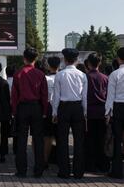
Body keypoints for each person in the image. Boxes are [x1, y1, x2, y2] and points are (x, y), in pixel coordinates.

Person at [11, 47, 48, 178]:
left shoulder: (18, 74)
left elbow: (14, 96)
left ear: (24, 58)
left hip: (22, 108)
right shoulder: (40, 74)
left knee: (22, 140)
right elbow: (44, 95)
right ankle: (38, 170)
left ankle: (21, 170)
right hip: (37, 107)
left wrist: (15, 111)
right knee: (38, 140)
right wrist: (44, 111)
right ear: (35, 59)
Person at [52, 48, 88, 179]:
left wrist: (54, 112)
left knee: (62, 140)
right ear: (77, 60)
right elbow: (85, 97)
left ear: (65, 60)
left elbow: (56, 95)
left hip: (63, 107)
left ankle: (64, 171)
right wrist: (85, 113)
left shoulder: (60, 75)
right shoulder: (82, 75)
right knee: (79, 141)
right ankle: (79, 172)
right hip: (78, 107)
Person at [84, 53, 110, 173]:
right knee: (101, 139)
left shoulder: (85, 77)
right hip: (102, 112)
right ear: (99, 63)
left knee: (89, 139)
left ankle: (90, 165)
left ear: (88, 63)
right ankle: (102, 165)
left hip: (89, 112)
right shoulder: (105, 78)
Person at [105, 47, 124, 179]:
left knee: (117, 139)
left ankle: (117, 171)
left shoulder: (114, 74)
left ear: (118, 59)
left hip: (118, 108)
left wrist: (108, 113)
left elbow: (110, 96)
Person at [44, 56, 60, 168]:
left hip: (48, 109)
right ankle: (60, 159)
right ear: (59, 65)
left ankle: (45, 160)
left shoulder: (45, 79)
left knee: (48, 136)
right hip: (62, 109)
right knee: (60, 136)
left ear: (48, 66)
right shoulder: (63, 77)